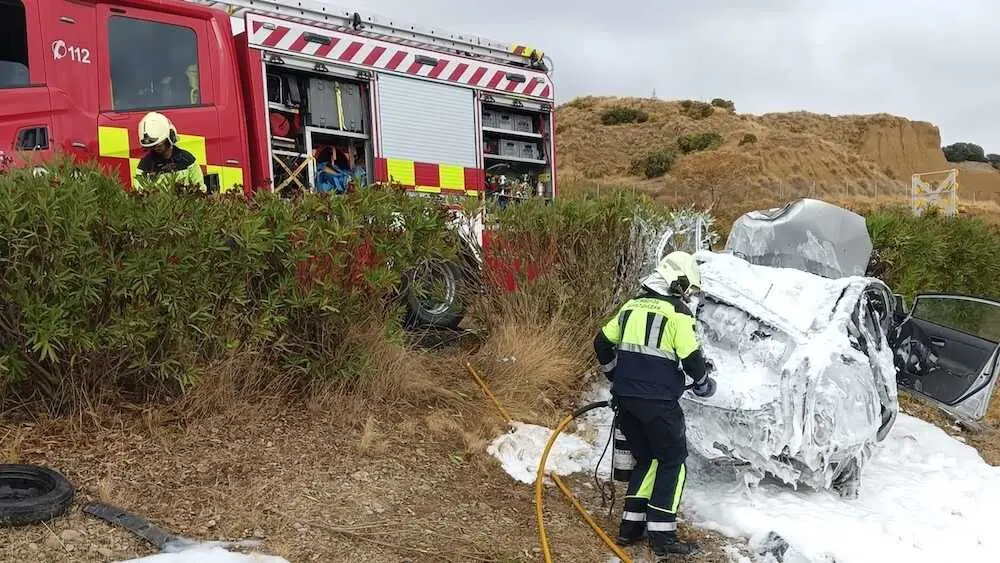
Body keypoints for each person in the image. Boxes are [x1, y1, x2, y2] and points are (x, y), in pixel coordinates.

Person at [593, 251, 717, 559]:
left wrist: (614, 375)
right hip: (659, 405)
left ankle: (630, 528)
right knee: (673, 462)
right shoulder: (679, 314)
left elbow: (601, 343)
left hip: (626, 401)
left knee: (647, 459)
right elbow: (691, 358)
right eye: (687, 289)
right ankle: (663, 537)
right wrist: (703, 382)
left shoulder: (630, 307)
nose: (688, 295)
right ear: (678, 283)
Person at [135, 111, 205, 193]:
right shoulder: (145, 166)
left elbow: (200, 190)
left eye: (159, 145)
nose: (156, 149)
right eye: (153, 147)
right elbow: (140, 195)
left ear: (170, 137)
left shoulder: (187, 160)